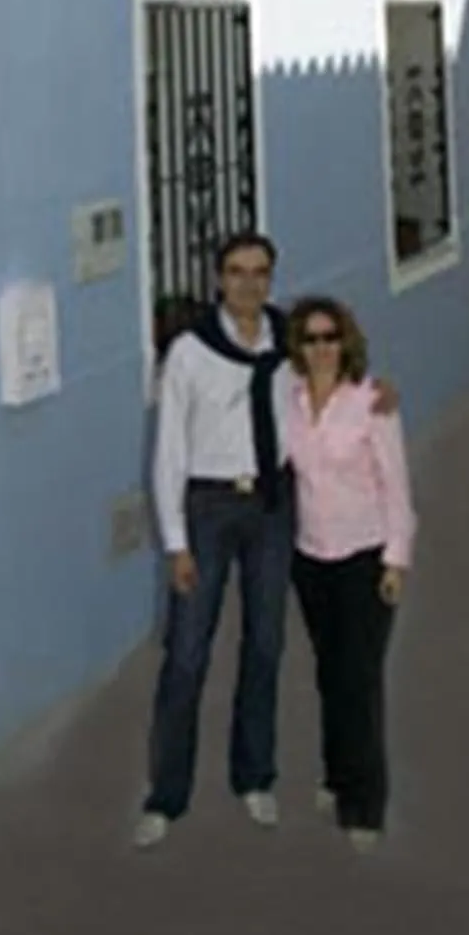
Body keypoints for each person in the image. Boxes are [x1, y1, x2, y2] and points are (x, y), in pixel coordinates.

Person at [134, 231, 395, 849]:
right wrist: (176, 543)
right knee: (188, 653)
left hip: (273, 507)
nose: (249, 284)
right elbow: (168, 452)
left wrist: (381, 395)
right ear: (218, 280)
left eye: (260, 272)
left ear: (271, 279)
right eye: (236, 272)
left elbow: (338, 382)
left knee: (266, 643)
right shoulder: (189, 354)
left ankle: (254, 775)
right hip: (209, 506)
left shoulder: (288, 342)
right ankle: (166, 795)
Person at [282, 294, 415, 851]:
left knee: (360, 680)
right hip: (311, 558)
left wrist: (396, 561)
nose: (321, 349)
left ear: (346, 342)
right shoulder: (286, 401)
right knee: (329, 671)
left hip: (364, 556)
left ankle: (366, 805)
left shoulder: (370, 405)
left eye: (330, 338)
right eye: (310, 339)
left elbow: (396, 485)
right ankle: (337, 775)